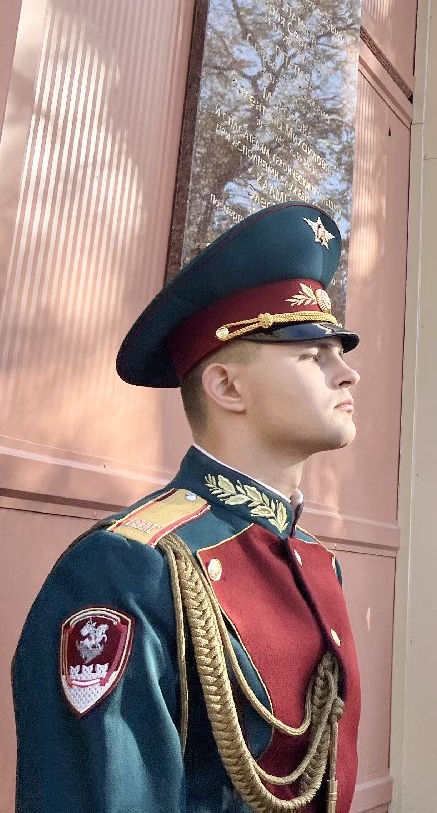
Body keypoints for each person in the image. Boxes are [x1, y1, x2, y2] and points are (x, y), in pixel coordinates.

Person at [13, 203, 363, 813]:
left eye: (340, 352)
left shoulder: (316, 562)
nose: (348, 374)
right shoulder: (127, 569)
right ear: (227, 386)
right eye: (312, 355)